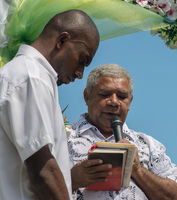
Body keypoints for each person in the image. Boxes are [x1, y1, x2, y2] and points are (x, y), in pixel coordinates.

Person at [0, 9, 99, 200]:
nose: (80, 73)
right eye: (82, 60)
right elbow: (43, 170)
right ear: (62, 41)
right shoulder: (31, 77)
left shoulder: (26, 75)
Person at [68, 63, 177, 200]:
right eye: (105, 94)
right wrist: (72, 179)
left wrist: (137, 170)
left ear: (130, 101)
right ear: (87, 96)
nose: (114, 102)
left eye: (122, 97)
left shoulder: (149, 145)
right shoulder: (63, 137)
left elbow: (176, 197)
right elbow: (38, 186)